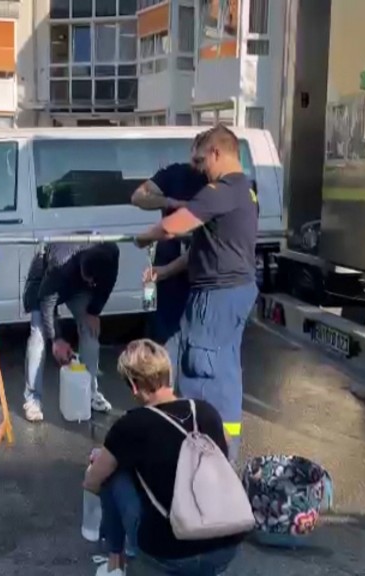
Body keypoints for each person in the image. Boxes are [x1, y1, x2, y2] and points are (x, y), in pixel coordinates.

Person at [134, 126, 260, 464]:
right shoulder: (245, 191)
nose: (199, 167)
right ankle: (223, 458)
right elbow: (202, 252)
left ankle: (204, 461)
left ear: (218, 153)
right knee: (223, 373)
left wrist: (145, 238)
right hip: (233, 291)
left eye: (202, 158)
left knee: (200, 374)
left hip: (216, 297)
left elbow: (172, 226)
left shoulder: (220, 190)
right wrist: (163, 272)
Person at [83, 340, 243, 576]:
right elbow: (225, 447)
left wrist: (105, 460)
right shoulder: (206, 410)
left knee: (111, 473)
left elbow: (91, 482)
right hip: (226, 548)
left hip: (172, 555)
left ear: (134, 387)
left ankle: (115, 565)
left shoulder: (131, 425)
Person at [130, 136, 210, 364]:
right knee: (162, 327)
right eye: (196, 154)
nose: (198, 161)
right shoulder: (175, 173)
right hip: (168, 260)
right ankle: (164, 379)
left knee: (195, 332)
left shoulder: (216, 184)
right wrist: (171, 203)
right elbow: (138, 196)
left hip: (200, 265)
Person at [22, 242, 121, 423]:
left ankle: (90, 392)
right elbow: (47, 301)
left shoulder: (110, 252)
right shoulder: (60, 264)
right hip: (43, 284)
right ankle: (33, 399)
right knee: (38, 337)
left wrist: (94, 311)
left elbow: (108, 282)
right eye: (89, 279)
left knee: (90, 330)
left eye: (94, 282)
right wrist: (57, 338)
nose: (92, 283)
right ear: (83, 269)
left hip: (76, 286)